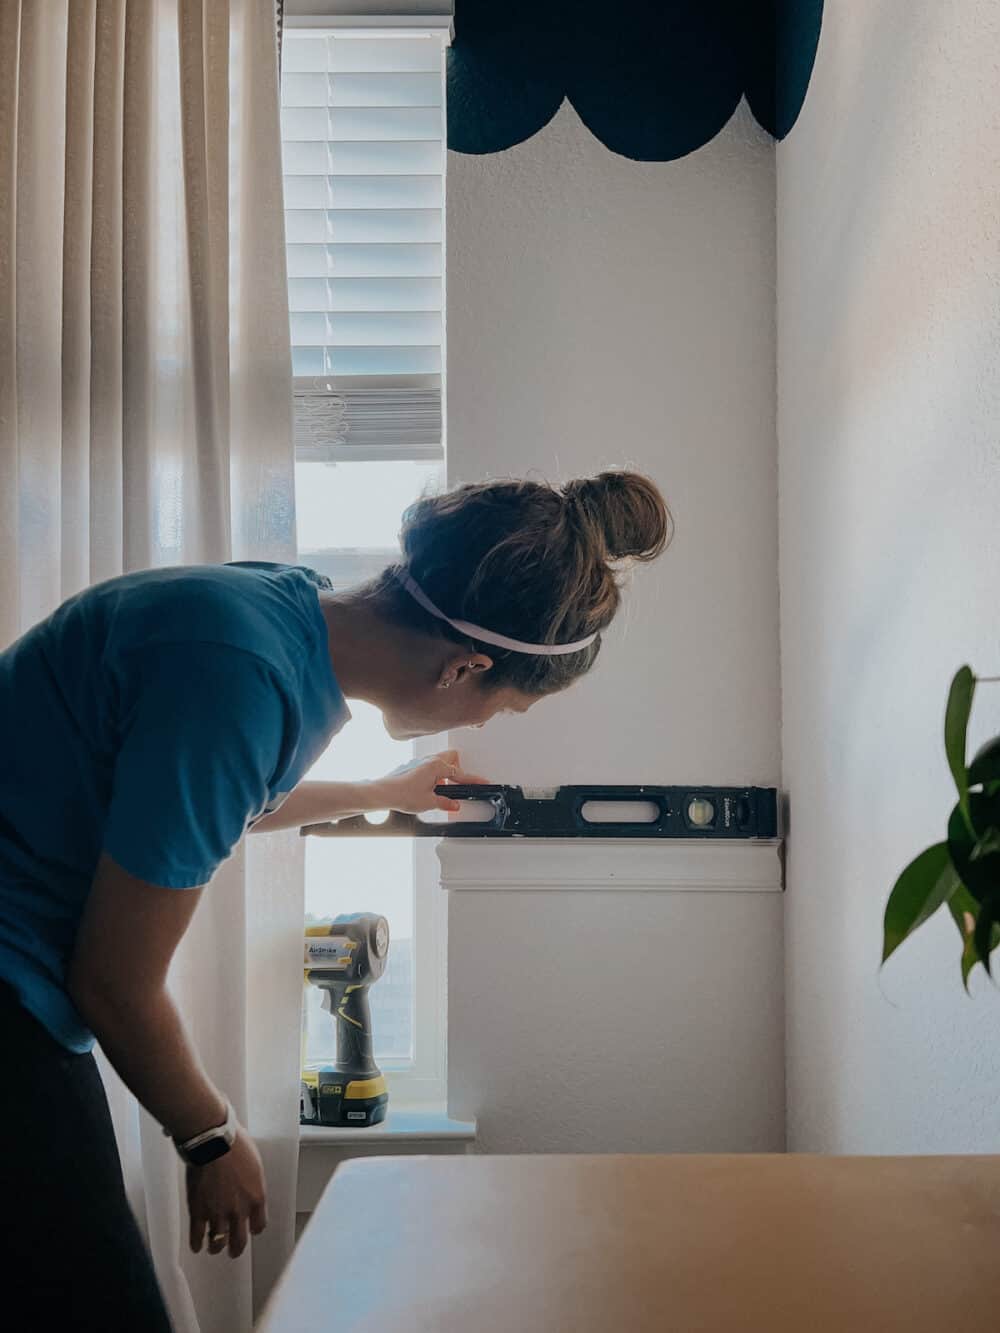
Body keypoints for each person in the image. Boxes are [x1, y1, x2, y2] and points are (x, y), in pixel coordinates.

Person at [0, 470, 669, 1328]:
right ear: (465, 665)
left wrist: (390, 791)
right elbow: (114, 983)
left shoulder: (273, 610)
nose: (491, 721)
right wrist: (210, 1136)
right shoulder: (238, 681)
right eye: (503, 706)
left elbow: (220, 796)